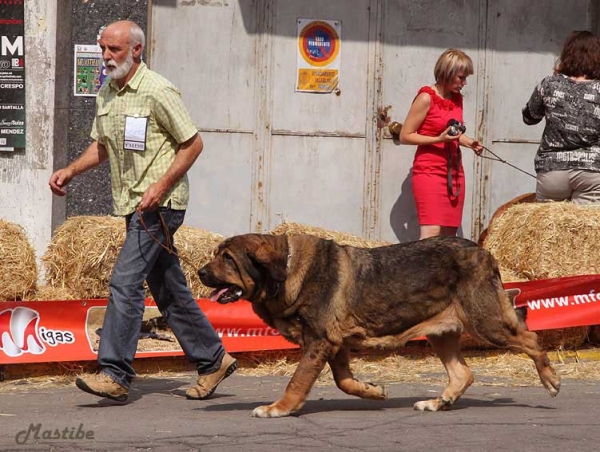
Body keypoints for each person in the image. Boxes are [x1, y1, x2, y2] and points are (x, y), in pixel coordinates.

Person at [49, 20, 237, 402]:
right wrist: (71, 169)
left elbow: (193, 143)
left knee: (125, 281)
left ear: (136, 50)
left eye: (114, 50)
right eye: (103, 48)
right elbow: (101, 145)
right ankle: (213, 359)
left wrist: (161, 184)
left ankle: (115, 372)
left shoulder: (158, 90)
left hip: (160, 205)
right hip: (132, 205)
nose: (105, 56)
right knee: (168, 289)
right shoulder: (108, 91)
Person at [400, 48, 483, 240]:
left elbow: (452, 133)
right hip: (429, 171)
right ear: (447, 73)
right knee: (431, 235)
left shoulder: (456, 99)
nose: (464, 83)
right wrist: (438, 140)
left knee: (449, 236)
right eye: (461, 78)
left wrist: (470, 142)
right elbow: (406, 135)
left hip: (453, 173)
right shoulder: (426, 98)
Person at [522, 30, 600, 204]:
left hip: (552, 171)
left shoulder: (549, 83)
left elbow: (529, 118)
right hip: (592, 171)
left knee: (548, 228)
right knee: (587, 229)